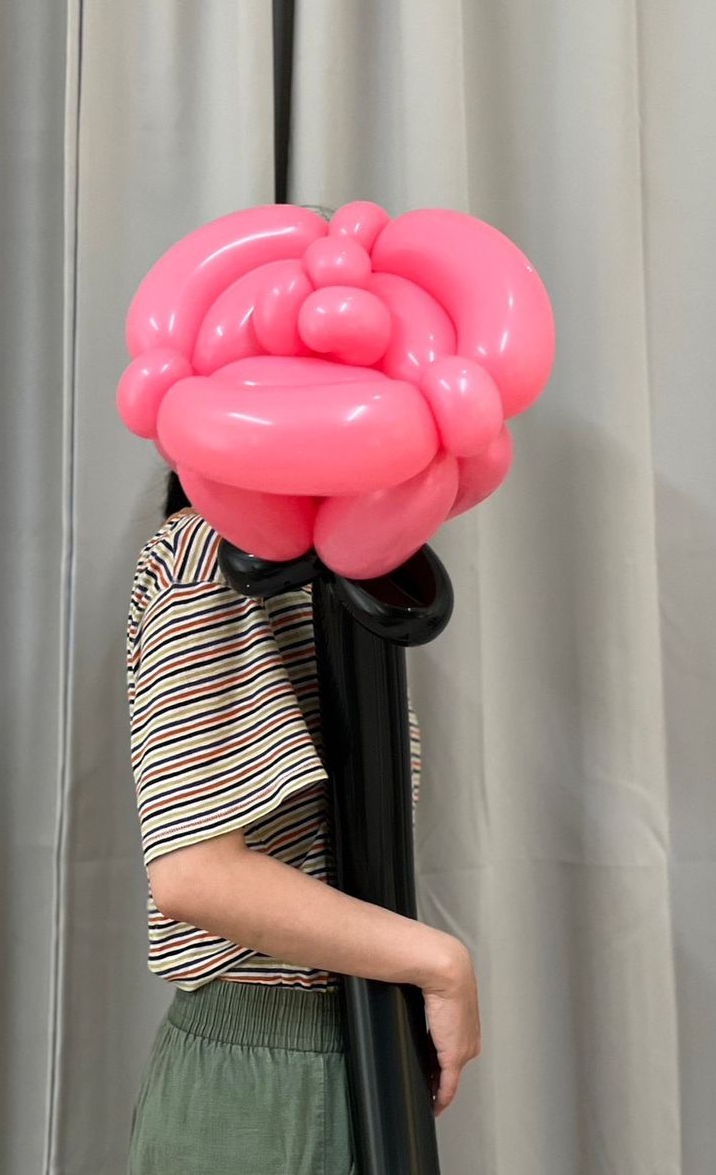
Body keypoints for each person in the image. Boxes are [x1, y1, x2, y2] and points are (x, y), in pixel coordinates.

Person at [126, 470, 481, 1174]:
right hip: (269, 1082)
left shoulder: (335, 563)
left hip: (347, 1047)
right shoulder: (211, 551)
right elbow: (195, 874)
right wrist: (441, 965)